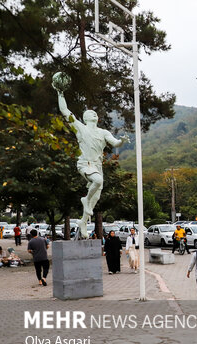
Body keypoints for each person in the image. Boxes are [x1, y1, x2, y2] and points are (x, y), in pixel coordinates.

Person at [53, 72, 129, 238]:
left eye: (95, 113)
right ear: (85, 118)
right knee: (97, 182)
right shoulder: (80, 128)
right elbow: (65, 110)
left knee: (96, 195)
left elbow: (115, 143)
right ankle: (85, 201)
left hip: (97, 165)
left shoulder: (103, 132)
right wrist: (60, 93)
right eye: (90, 113)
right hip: (85, 163)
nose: (93, 113)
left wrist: (122, 141)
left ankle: (83, 222)